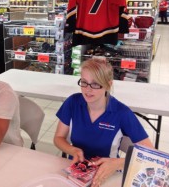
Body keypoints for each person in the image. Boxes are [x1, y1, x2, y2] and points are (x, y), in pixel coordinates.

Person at [53, 58, 153, 187]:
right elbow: (58, 138)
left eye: (95, 84)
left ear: (108, 85)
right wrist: (72, 150)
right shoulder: (72, 103)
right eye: (84, 82)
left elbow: (150, 153)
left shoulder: (122, 113)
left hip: (109, 176)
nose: (88, 89)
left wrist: (117, 162)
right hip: (76, 173)